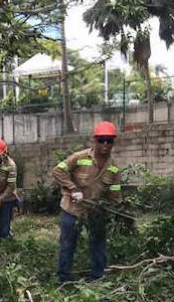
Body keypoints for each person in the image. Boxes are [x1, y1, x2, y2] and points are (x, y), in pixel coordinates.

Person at [51, 121, 123, 283]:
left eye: (109, 141)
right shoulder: (79, 157)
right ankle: (64, 278)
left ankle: (97, 277)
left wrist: (116, 209)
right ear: (94, 140)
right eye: (102, 140)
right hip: (73, 209)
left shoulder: (114, 168)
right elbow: (58, 171)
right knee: (68, 243)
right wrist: (72, 189)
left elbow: (114, 192)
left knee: (98, 243)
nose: (105, 144)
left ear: (113, 143)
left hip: (95, 212)